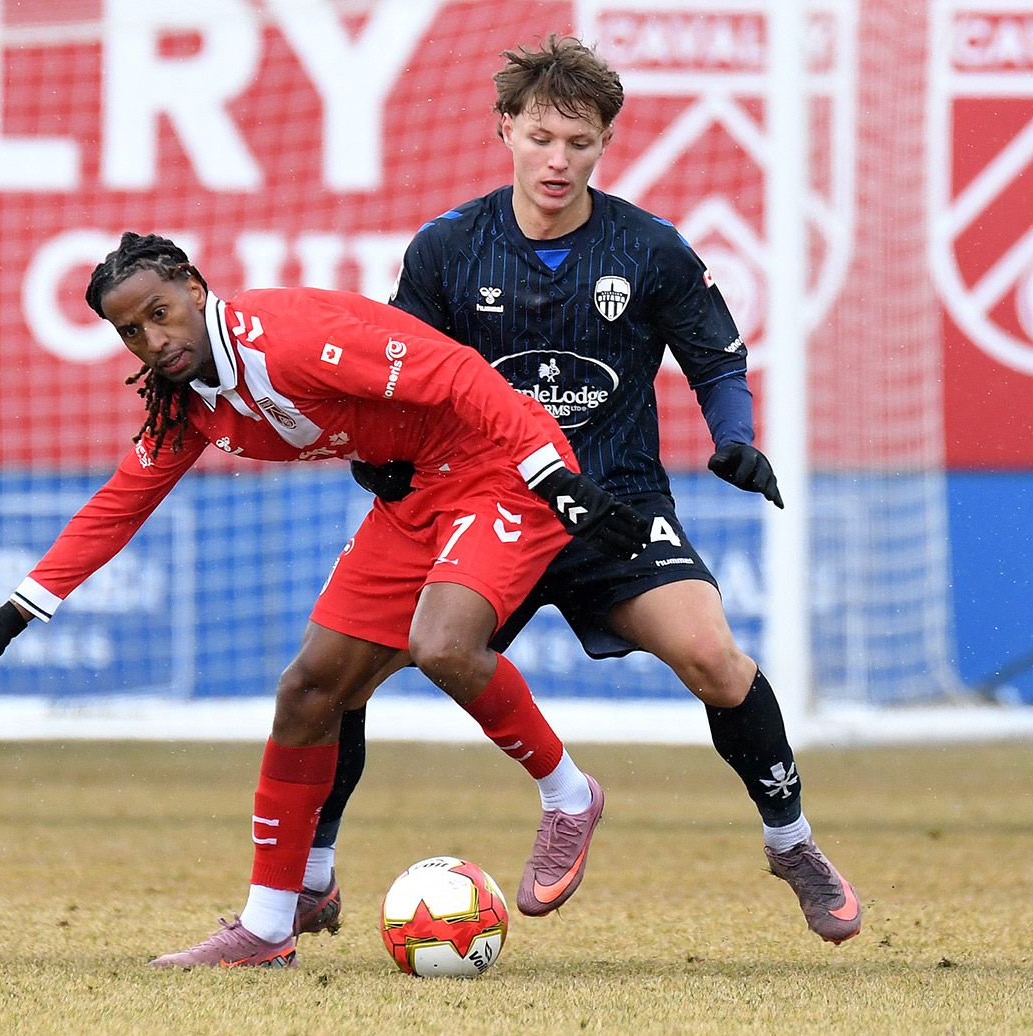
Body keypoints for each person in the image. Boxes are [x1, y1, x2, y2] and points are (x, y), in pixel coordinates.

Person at [0, 231, 650, 968]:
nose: (153, 338)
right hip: (416, 492)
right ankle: (269, 927)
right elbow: (121, 503)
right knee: (308, 690)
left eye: (159, 311)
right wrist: (9, 619)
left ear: (194, 286)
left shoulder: (290, 337)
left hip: (503, 466)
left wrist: (553, 477)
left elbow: (459, 373)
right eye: (131, 331)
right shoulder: (189, 402)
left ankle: (568, 796)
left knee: (442, 644)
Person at [300, 35, 861, 946]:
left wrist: (737, 441)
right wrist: (380, 456)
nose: (559, 160)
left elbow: (717, 359)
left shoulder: (649, 248)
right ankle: (314, 876)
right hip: (486, 509)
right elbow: (393, 375)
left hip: (616, 507)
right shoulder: (447, 250)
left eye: (581, 143)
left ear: (605, 144)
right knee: (338, 677)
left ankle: (792, 844)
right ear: (506, 130)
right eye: (543, 138)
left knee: (716, 660)